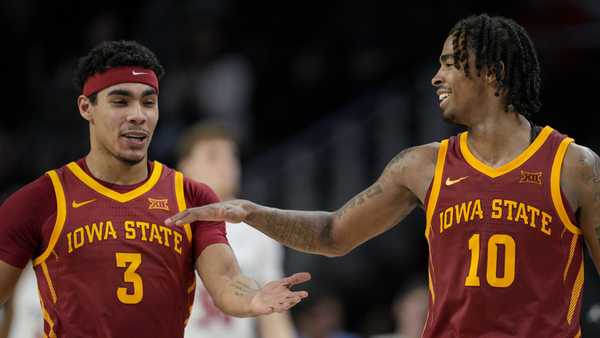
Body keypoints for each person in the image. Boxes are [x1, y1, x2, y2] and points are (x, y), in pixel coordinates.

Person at [166, 14, 600, 337]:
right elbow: (332, 234)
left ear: (493, 73)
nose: (436, 77)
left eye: (451, 63)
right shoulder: (422, 166)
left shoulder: (573, 166)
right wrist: (254, 213)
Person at [0, 40, 310, 338]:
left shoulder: (192, 198)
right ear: (86, 107)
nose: (138, 114)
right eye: (121, 101)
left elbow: (226, 279)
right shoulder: (42, 199)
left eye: (148, 102)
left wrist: (252, 299)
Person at [176, 122, 296, 338]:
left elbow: (274, 318)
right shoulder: (167, 225)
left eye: (231, 157)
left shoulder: (260, 232)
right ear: (186, 166)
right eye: (213, 156)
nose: (225, 165)